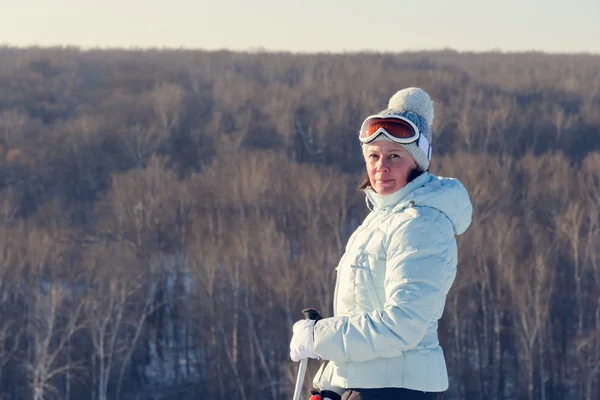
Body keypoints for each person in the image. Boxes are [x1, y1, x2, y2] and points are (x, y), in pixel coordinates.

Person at [289, 87, 473, 400]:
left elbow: (401, 324)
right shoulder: (384, 218)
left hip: (396, 390)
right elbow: (365, 311)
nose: (381, 167)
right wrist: (331, 385)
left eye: (394, 156)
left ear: (417, 163)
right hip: (366, 385)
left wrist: (321, 337)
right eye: (374, 156)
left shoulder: (421, 225)